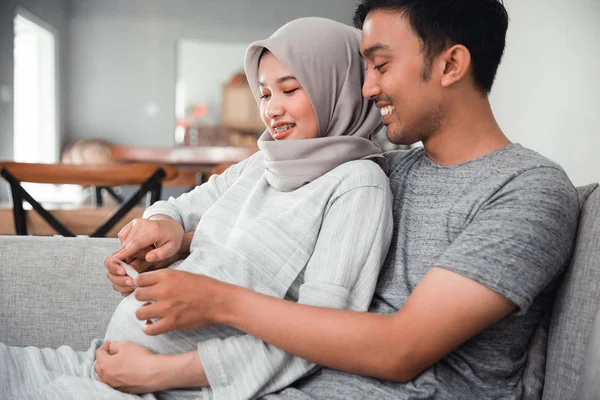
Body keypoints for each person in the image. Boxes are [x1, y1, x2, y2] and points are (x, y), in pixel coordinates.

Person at [110, 1, 581, 399]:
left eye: (380, 65)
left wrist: (216, 301)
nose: (366, 87)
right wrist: (179, 242)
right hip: (286, 379)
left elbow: (401, 350)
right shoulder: (379, 171)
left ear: (451, 65)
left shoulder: (527, 189)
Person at [0, 18, 393, 400]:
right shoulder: (265, 162)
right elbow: (177, 208)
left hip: (172, 385)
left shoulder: (357, 184)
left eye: (289, 89)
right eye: (266, 94)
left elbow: (323, 337)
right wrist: (151, 236)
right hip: (108, 364)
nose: (271, 110)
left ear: (338, 88)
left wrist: (159, 372)